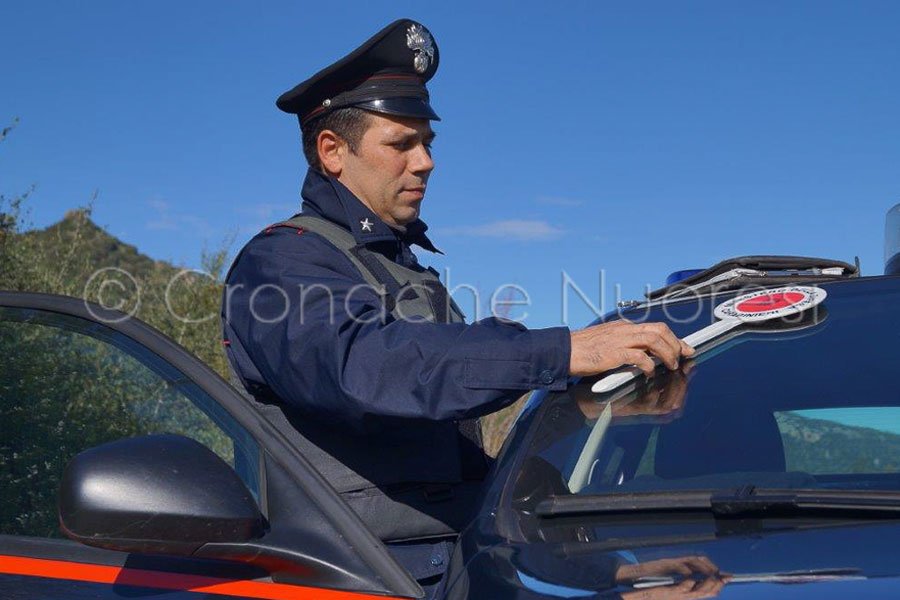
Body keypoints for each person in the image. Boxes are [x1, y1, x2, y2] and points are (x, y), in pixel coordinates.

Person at [221, 19, 693, 598]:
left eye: (428, 143)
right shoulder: (282, 263)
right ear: (332, 151)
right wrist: (561, 351)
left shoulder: (403, 272)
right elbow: (369, 368)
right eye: (401, 144)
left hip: (456, 569)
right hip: (349, 576)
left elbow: (465, 471)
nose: (425, 162)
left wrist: (608, 572)